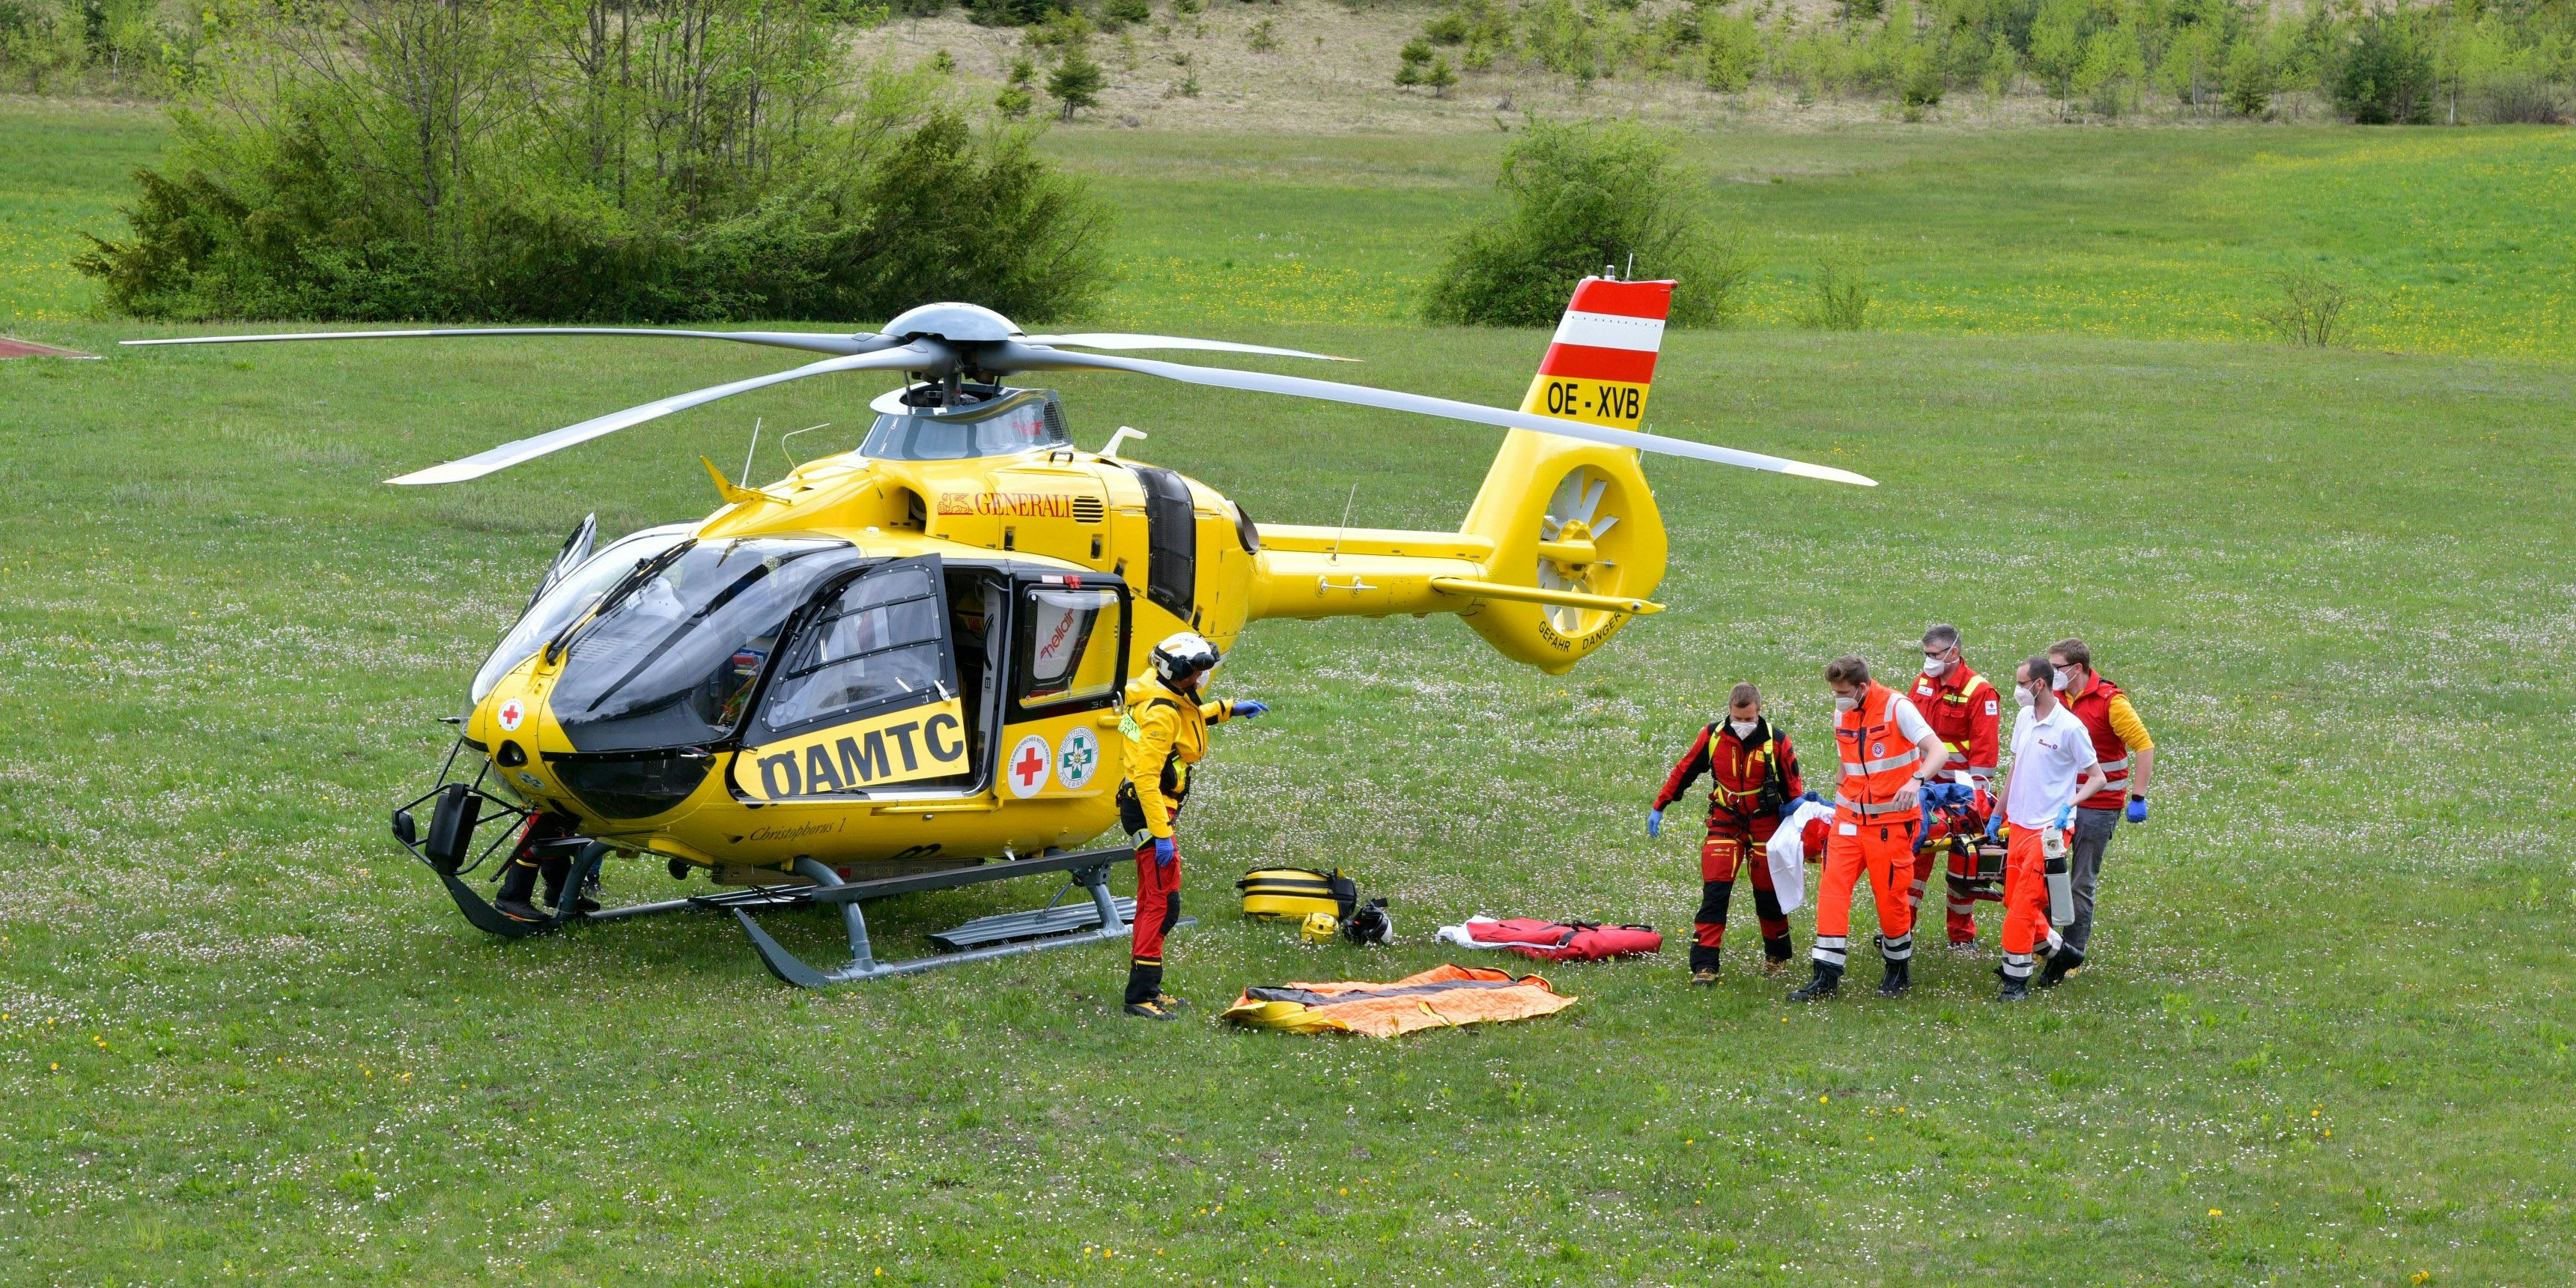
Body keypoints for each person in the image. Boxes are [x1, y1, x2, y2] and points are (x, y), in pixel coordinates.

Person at [1117, 631, 1267, 1021]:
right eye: (1194, 673)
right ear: (1175, 671)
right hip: (1151, 812)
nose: (1199, 680)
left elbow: (1190, 716)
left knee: (1159, 902)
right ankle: (1140, 996)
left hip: (1147, 808)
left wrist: (1230, 709)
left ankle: (1147, 988)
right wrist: (1162, 834)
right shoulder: (1159, 713)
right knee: (1162, 904)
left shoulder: (1157, 691)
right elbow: (1148, 778)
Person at [1790, 655, 1951, 1001]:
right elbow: (1847, 755)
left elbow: (1937, 751)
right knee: (1832, 892)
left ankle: (1897, 969)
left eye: (1843, 691)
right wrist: (1839, 783)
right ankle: (1826, 976)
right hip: (1849, 819)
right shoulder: (1842, 710)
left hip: (1890, 823)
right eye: (1834, 692)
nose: (1838, 698)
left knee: (1891, 897)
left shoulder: (1897, 707)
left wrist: (1917, 781)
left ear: (1862, 688)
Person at [1650, 683, 1806, 982]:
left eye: (1748, 719)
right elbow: (1685, 770)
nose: (1743, 725)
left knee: (1768, 894)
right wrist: (1661, 804)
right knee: (1715, 892)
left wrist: (1802, 825)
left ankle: (1776, 956)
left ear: (1759, 712)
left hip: (1766, 824)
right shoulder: (1713, 736)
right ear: (1729, 711)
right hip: (1725, 820)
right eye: (1737, 718)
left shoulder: (1778, 742)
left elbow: (1793, 792)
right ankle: (1705, 965)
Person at [1995, 655, 2108, 1000]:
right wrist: (1998, 812)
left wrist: (2068, 806)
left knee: (2025, 905)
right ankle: (2063, 955)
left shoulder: (2070, 728)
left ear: (2039, 684)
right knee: (2012, 899)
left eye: (2021, 684)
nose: (2017, 690)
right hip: (2020, 824)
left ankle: (2015, 980)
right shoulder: (2023, 718)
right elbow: (2016, 767)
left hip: (2050, 831)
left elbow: (2097, 778)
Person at [2047, 638, 2156, 964]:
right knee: (2048, 876)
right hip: (2058, 804)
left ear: (2076, 669)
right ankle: (2046, 945)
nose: (2051, 673)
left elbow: (2144, 746)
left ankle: (2073, 955)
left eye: (2056, 668)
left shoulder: (2111, 702)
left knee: (2080, 882)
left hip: (2098, 806)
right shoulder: (2054, 699)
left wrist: (2138, 797)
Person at [1907, 624, 2003, 949]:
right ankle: (1900, 931)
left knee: (1965, 865)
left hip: (1961, 796)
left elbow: (1985, 753)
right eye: (1926, 654)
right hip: (1922, 789)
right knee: (1912, 861)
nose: (1928, 661)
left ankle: (1962, 938)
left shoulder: (1979, 691)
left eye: (1934, 655)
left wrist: (1975, 802)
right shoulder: (1922, 683)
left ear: (1954, 653)